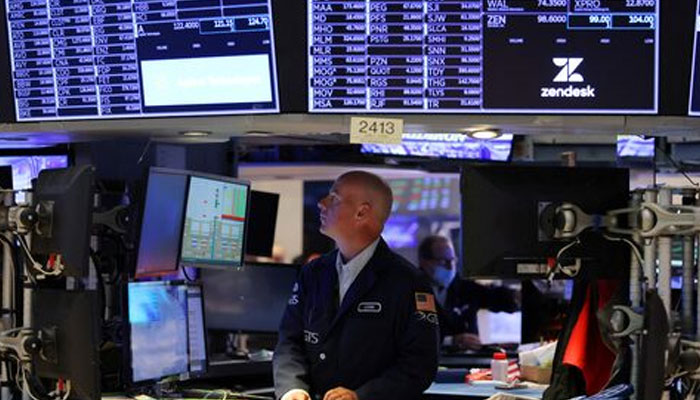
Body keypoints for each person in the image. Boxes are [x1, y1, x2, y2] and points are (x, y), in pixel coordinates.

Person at [274, 171, 439, 400]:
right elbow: (289, 342)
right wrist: (293, 388)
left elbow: (419, 366)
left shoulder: (407, 282)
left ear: (361, 212)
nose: (322, 203)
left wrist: (361, 396)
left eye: (334, 198)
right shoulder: (312, 273)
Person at [417, 235, 519, 351]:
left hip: (466, 359)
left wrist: (516, 296)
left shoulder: (464, 287)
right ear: (425, 262)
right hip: (427, 360)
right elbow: (413, 335)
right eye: (443, 261)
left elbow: (495, 297)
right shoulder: (411, 290)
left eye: (452, 260)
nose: (450, 267)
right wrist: (452, 341)